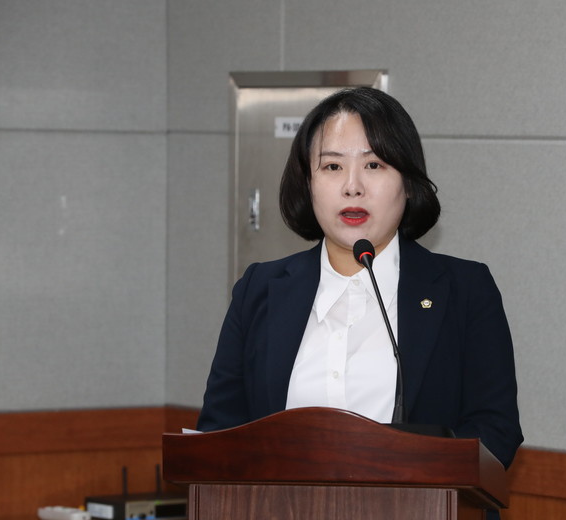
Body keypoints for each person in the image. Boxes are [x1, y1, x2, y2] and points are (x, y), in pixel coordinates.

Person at [197, 88, 523, 481]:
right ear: (308, 182)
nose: (352, 186)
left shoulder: (465, 290)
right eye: (332, 166)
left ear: (408, 182)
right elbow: (218, 431)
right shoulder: (260, 289)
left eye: (374, 165)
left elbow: (495, 431)